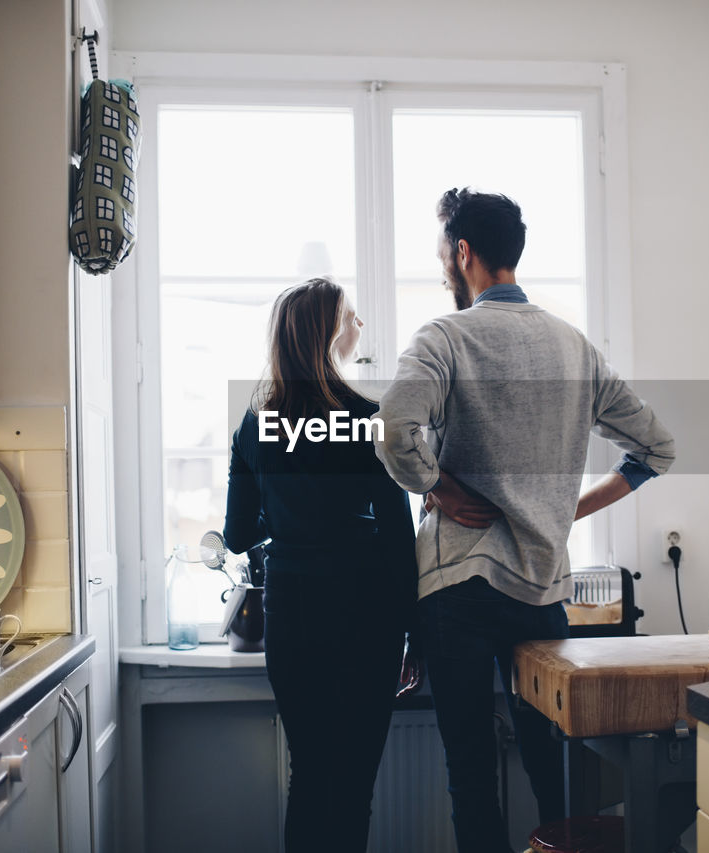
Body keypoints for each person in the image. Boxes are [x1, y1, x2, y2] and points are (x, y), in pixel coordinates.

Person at [374, 188, 676, 852]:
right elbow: (658, 448)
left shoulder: (444, 336)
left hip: (456, 588)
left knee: (471, 772)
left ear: (464, 254)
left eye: (442, 256)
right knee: (554, 769)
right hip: (541, 590)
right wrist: (565, 509)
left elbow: (394, 427)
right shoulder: (576, 349)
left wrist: (437, 489)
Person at [224, 278, 418, 853]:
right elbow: (396, 537)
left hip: (294, 611)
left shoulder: (255, 426)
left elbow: (237, 535)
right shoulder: (368, 420)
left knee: (308, 777)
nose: (360, 327)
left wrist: (285, 513)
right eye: (352, 318)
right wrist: (416, 633)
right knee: (353, 785)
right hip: (367, 614)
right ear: (330, 335)